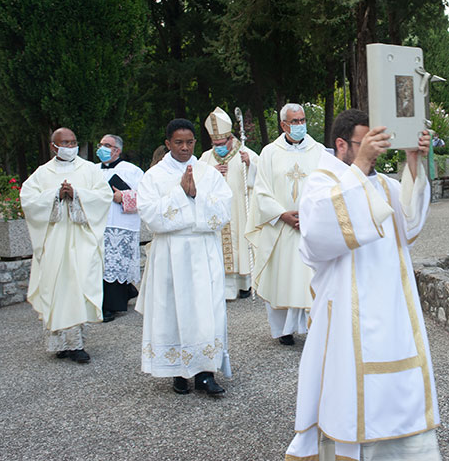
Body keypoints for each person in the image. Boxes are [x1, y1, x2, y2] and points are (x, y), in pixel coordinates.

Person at [285, 110, 439, 461]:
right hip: (345, 315)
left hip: (393, 310)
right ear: (342, 144)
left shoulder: (384, 184)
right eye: (365, 144)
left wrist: (414, 162)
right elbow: (319, 237)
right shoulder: (320, 183)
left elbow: (410, 226)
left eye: (377, 143)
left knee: (397, 392)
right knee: (349, 395)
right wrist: (362, 166)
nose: (375, 151)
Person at [135, 118, 233, 396]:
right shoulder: (153, 176)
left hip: (203, 250)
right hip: (171, 253)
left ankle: (205, 372)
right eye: (178, 142)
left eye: (190, 142)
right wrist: (181, 194)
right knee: (174, 311)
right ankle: (177, 370)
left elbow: (223, 210)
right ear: (167, 143)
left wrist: (195, 196)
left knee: (206, 312)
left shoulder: (208, 173)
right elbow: (151, 216)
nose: (185, 147)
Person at [20, 127, 112, 363]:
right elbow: (28, 201)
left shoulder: (89, 170)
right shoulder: (42, 173)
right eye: (65, 143)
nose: (70, 147)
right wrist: (56, 196)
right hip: (55, 242)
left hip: (82, 240)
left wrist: (77, 194)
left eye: (73, 143)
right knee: (57, 288)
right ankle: (60, 343)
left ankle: (77, 344)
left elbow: (104, 197)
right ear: (54, 146)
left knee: (78, 286)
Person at [246, 103, 323, 345]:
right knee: (279, 277)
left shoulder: (319, 151)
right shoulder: (270, 152)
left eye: (302, 120)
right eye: (295, 121)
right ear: (283, 125)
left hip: (310, 226)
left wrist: (310, 214)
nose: (300, 125)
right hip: (281, 227)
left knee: (310, 278)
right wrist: (282, 215)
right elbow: (261, 191)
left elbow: (327, 186)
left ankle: (315, 328)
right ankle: (283, 331)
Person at [198, 107, 260, 300]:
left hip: (239, 211)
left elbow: (260, 180)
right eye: (214, 143)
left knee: (241, 244)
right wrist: (211, 172)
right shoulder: (206, 159)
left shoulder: (245, 154)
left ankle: (245, 285)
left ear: (231, 139)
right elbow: (196, 183)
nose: (218, 147)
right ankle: (224, 288)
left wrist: (251, 165)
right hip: (217, 215)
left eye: (221, 143)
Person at [96, 134, 144, 322]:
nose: (102, 148)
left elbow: (145, 196)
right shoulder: (90, 170)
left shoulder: (132, 171)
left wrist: (123, 197)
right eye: (101, 144)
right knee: (101, 264)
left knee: (114, 264)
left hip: (121, 225)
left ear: (118, 150)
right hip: (97, 224)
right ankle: (126, 291)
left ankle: (111, 305)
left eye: (107, 145)